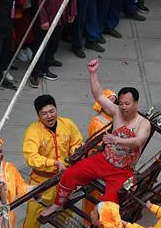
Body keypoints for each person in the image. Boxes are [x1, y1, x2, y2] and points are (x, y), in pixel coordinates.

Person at [40, 60, 150, 217]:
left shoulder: (143, 123)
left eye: (127, 103)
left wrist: (116, 140)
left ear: (136, 104)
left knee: (108, 205)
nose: (123, 107)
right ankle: (58, 204)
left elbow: (138, 141)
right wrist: (92, 73)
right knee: (69, 175)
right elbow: (98, 94)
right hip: (103, 160)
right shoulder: (116, 112)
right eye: (122, 103)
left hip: (122, 170)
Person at [20, 95, 83, 228]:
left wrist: (75, 153)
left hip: (66, 179)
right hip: (42, 184)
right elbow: (30, 157)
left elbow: (77, 142)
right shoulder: (33, 132)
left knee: (67, 210)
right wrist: (53, 163)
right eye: (44, 113)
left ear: (56, 109)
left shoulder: (67, 124)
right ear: (38, 116)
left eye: (51, 111)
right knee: (32, 221)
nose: (49, 116)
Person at [28, 0, 76, 88]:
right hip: (45, 15)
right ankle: (35, 73)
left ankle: (46, 65)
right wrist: (43, 19)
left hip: (60, 14)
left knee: (54, 42)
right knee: (40, 44)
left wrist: (72, 10)